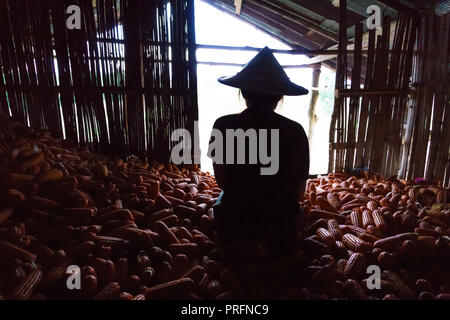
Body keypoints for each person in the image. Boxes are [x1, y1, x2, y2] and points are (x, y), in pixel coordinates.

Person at [207, 47, 310, 255]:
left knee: (220, 202)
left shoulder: (223, 125)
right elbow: (299, 190)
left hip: (234, 223)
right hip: (281, 225)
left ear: (243, 92)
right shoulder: (295, 130)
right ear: (280, 96)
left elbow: (223, 181)